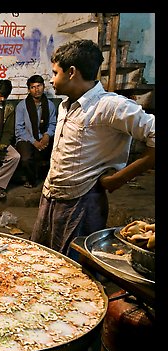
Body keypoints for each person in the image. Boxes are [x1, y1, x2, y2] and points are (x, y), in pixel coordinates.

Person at [31, 39, 155, 255]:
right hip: (51, 197)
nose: (51, 80)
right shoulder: (66, 105)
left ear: (71, 72)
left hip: (82, 203)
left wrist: (119, 178)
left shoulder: (109, 106)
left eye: (54, 73)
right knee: (44, 259)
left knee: (73, 271)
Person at [14, 75, 57, 188]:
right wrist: (34, 142)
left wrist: (47, 135)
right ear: (29, 90)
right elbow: (19, 129)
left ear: (43, 87)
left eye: (39, 86)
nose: (36, 90)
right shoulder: (22, 106)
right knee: (26, 158)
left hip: (44, 137)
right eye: (33, 87)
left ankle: (53, 181)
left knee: (58, 152)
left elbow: (53, 124)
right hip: (26, 138)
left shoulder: (50, 105)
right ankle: (31, 181)